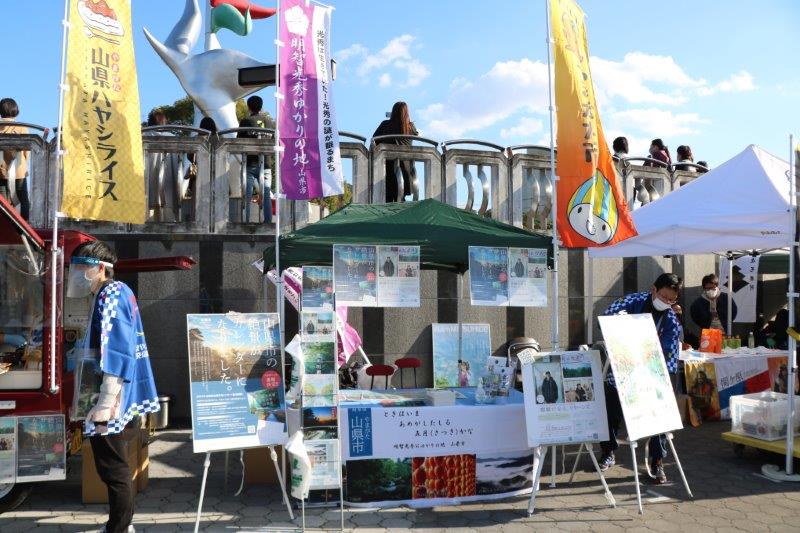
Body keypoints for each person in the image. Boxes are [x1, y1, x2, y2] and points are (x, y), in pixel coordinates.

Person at [67, 241, 159, 533]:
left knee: (113, 467)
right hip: (109, 390)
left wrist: (105, 403)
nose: (77, 274)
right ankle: (120, 525)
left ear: (100, 268)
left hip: (109, 394)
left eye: (82, 268)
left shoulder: (111, 294)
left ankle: (120, 527)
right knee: (113, 464)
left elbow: (116, 348)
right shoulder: (116, 292)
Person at [598, 273, 683, 485]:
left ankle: (657, 460)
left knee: (659, 416)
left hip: (649, 373)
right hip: (620, 365)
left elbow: (669, 356)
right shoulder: (633, 301)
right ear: (653, 289)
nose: (667, 302)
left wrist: (662, 384)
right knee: (610, 409)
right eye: (664, 297)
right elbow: (605, 318)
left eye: (672, 300)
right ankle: (608, 451)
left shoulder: (671, 320)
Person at [372, 102, 419, 203]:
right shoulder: (410, 127)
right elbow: (415, 135)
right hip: (405, 171)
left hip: (387, 170)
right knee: (401, 199)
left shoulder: (385, 125)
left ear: (393, 112)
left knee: (387, 200)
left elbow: (374, 141)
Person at [237, 95, 273, 224]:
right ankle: (267, 222)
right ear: (261, 107)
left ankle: (246, 221)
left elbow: (238, 141)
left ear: (249, 107)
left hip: (249, 163)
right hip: (266, 163)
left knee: (246, 194)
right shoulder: (269, 122)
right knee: (266, 194)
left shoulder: (245, 121)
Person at [0, 98, 31, 220]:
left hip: (1, 171)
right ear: (15, 111)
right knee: (23, 200)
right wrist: (25, 166)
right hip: (18, 171)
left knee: (4, 203)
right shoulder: (22, 128)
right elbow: (26, 152)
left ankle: (6, 226)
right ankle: (24, 224)